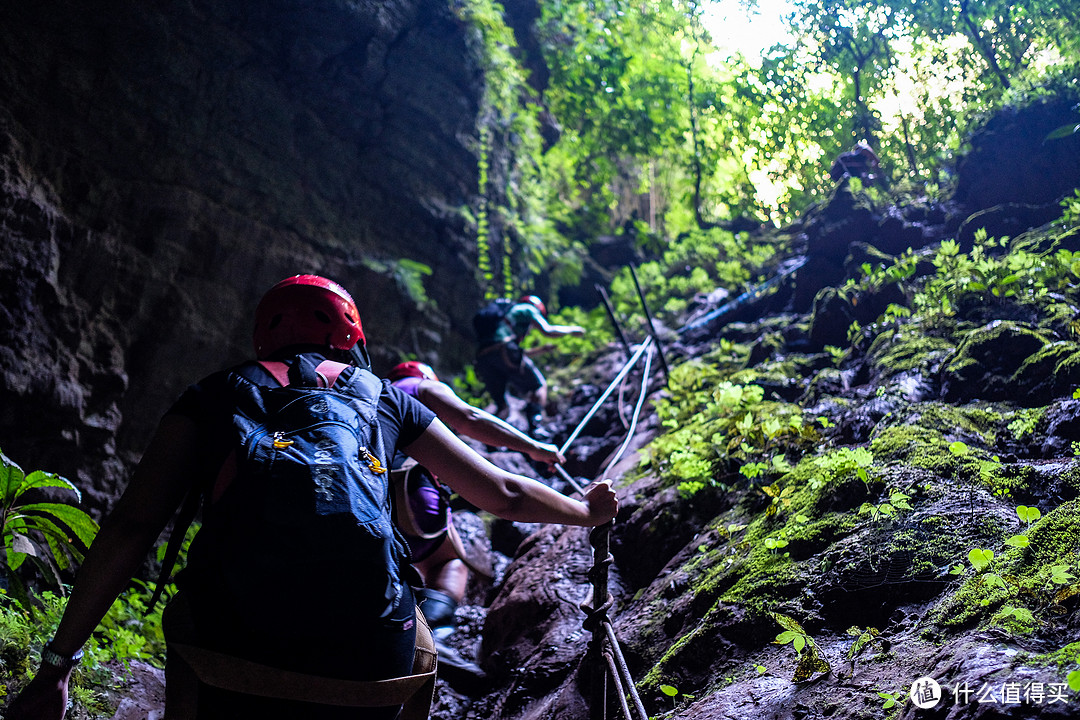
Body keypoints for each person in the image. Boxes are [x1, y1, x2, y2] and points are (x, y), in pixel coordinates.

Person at [6, 275, 618, 720]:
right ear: (348, 334)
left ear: (265, 334)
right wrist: (586, 512)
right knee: (419, 639)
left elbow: (131, 528)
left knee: (186, 614)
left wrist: (56, 666)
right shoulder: (384, 396)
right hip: (371, 663)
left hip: (230, 647)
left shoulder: (214, 395)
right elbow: (505, 495)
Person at [386, 360, 564, 690]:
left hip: (369, 505)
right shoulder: (418, 387)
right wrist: (535, 448)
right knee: (447, 562)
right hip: (412, 496)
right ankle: (435, 635)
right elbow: (471, 418)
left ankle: (398, 636)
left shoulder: (364, 399)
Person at [473, 295, 584, 436]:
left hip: (483, 358)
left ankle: (489, 438)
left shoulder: (503, 322)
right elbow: (547, 331)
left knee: (502, 405)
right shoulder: (528, 309)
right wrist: (572, 330)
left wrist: (541, 350)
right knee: (539, 386)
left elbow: (515, 353)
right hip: (505, 351)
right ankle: (536, 427)